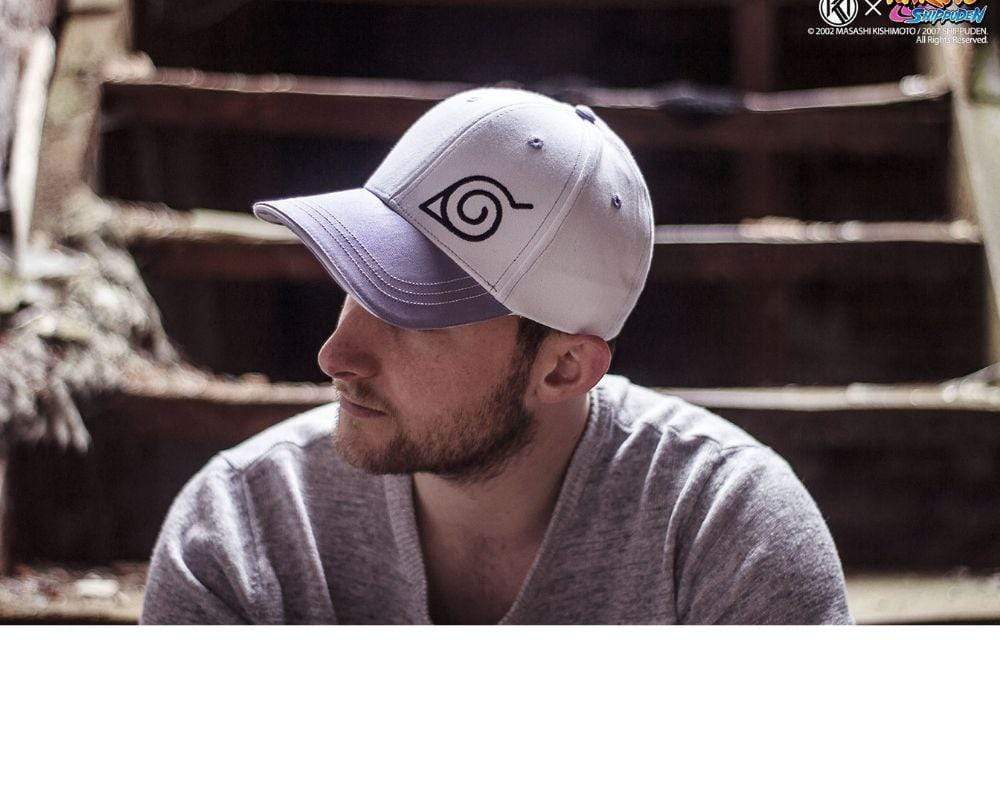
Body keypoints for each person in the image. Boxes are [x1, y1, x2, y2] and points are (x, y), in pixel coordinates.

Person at [141, 87, 852, 625]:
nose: (335, 355)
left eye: (413, 316)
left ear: (563, 369)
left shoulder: (728, 533)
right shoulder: (241, 529)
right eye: (355, 284)